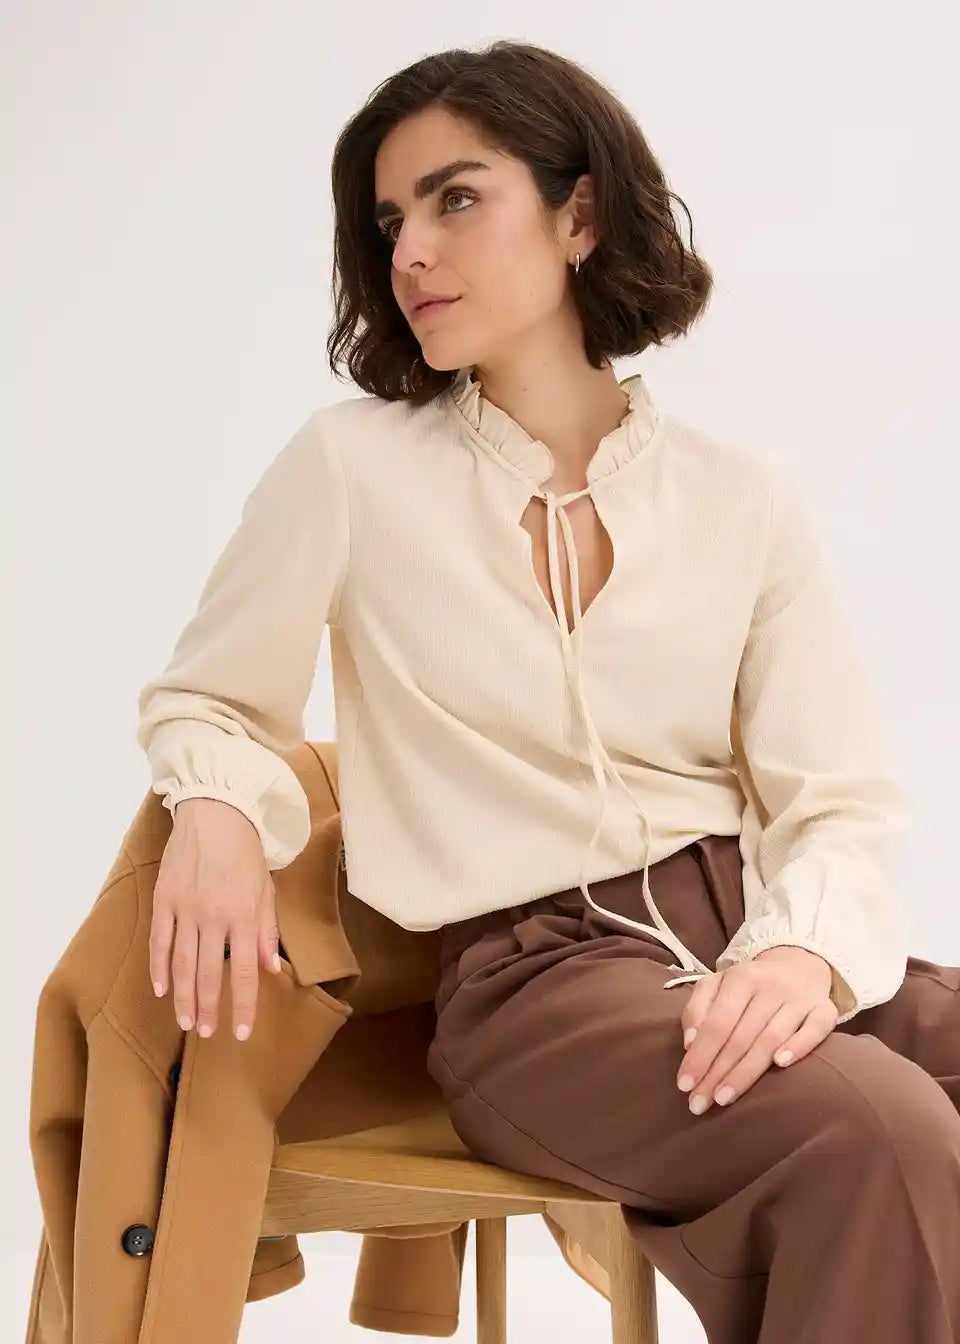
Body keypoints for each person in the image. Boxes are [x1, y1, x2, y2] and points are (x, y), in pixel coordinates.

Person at [135, 39, 960, 1341]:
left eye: (456, 199)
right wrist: (217, 810)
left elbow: (839, 799)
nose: (411, 251)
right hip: (541, 988)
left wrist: (801, 948)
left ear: (580, 215)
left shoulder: (742, 499)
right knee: (877, 1130)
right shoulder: (350, 470)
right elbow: (211, 701)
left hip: (750, 926)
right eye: (390, 223)